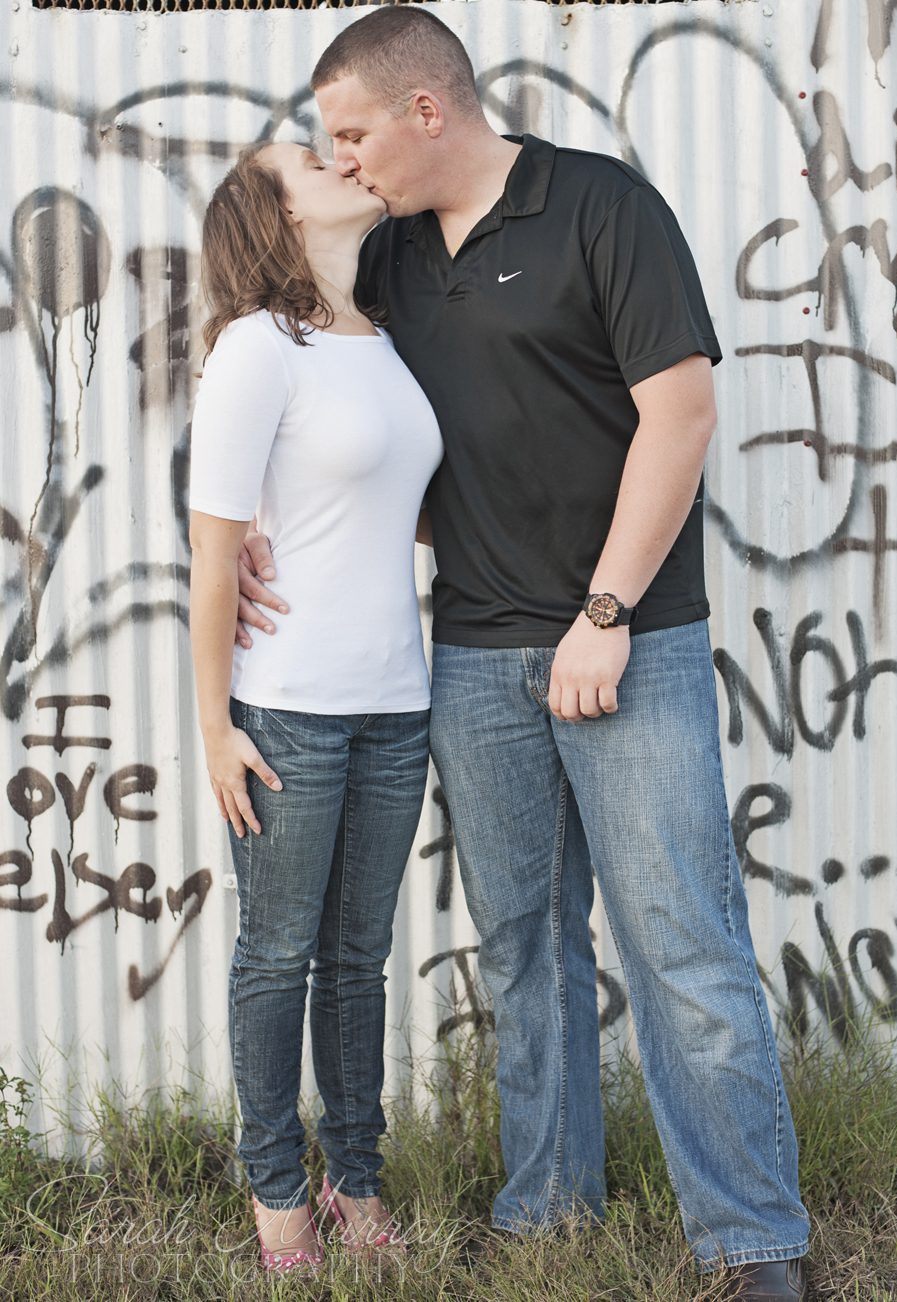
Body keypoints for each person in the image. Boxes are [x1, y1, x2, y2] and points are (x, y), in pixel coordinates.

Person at [234, 9, 810, 1298]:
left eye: (352, 131)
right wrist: (253, 534)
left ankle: (752, 1245)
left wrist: (602, 615)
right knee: (522, 945)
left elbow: (682, 413)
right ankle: (546, 1206)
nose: (342, 158)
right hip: (476, 657)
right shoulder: (383, 262)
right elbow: (327, 406)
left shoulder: (601, 207)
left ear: (425, 112)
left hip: (628, 641)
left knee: (680, 944)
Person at [187, 138, 442, 1273]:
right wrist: (214, 728)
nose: (339, 160)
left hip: (397, 705)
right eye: (307, 158)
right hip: (286, 710)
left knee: (357, 960)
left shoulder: (385, 345)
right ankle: (276, 1191)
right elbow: (214, 553)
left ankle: (357, 1179)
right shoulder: (256, 349)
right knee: (278, 955)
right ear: (277, 216)